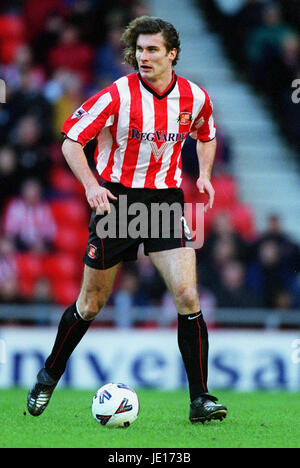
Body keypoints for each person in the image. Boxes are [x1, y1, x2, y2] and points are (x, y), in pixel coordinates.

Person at [27, 16, 227, 423]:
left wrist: (203, 175)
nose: (143, 57)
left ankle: (200, 399)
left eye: (153, 49)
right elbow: (71, 141)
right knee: (90, 304)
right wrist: (89, 185)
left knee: (188, 296)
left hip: (166, 204)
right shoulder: (117, 95)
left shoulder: (194, 97)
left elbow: (207, 133)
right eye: (139, 49)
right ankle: (49, 375)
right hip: (116, 202)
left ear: (172, 54)